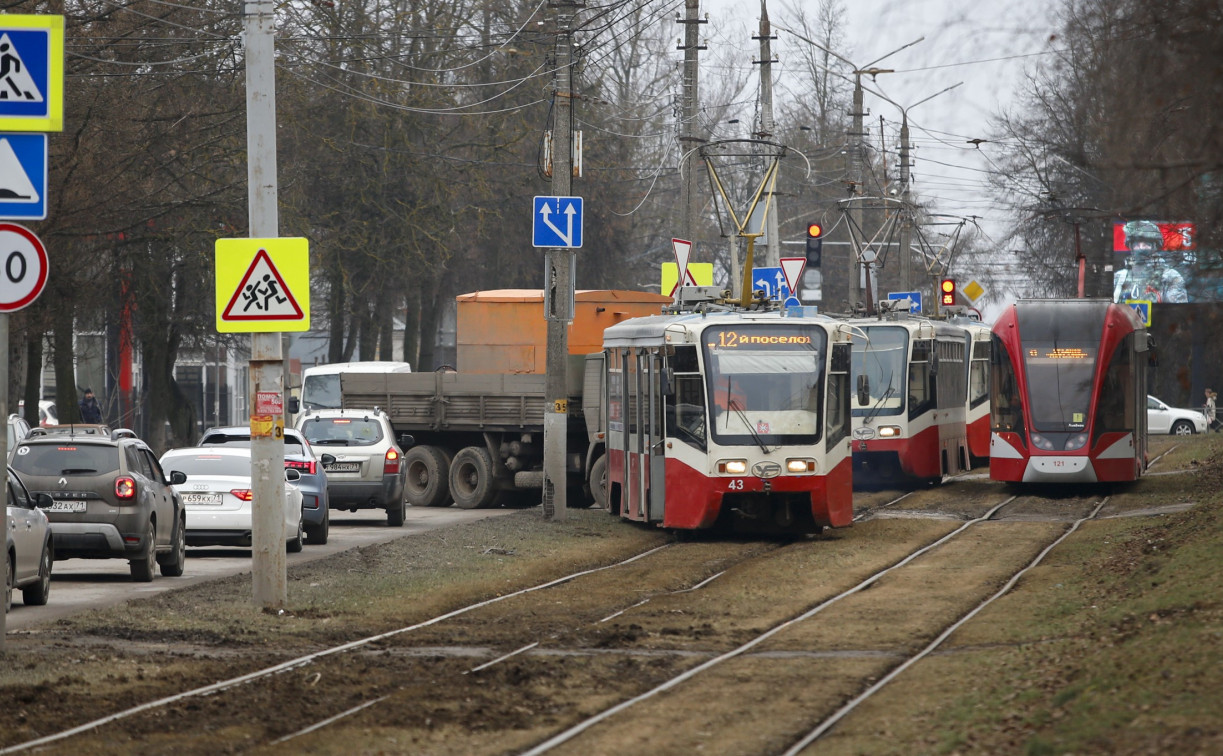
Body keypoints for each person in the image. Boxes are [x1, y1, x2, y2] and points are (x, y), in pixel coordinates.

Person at [1112, 220, 1188, 303]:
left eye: (1145, 245)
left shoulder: (1170, 277)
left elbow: (1176, 311)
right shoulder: (1118, 278)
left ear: (1154, 247)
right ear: (1131, 247)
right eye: (1137, 245)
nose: (1141, 249)